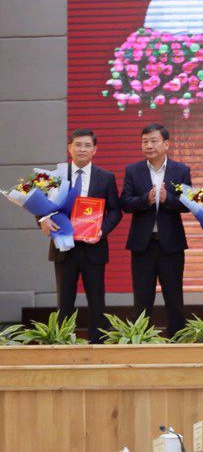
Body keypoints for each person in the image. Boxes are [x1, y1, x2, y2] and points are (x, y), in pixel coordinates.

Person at [37, 129, 122, 344]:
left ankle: (98, 343)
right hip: (63, 247)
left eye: (87, 145)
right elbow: (41, 206)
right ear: (69, 148)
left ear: (95, 150)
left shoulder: (106, 177)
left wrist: (102, 230)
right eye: (78, 145)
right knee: (64, 301)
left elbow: (115, 211)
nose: (82, 149)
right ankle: (64, 343)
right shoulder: (56, 176)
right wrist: (42, 221)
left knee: (96, 300)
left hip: (94, 247)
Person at [119, 123, 191, 337]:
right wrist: (146, 199)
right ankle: (142, 340)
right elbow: (125, 202)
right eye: (144, 141)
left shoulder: (181, 170)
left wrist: (167, 199)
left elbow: (188, 204)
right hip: (143, 244)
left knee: (174, 296)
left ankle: (178, 339)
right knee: (142, 297)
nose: (148, 145)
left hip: (171, 244)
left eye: (153, 141)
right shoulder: (133, 170)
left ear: (166, 144)